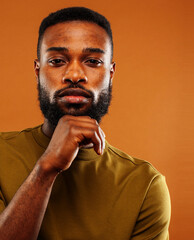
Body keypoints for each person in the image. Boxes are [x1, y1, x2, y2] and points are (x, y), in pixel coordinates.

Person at [0, 7, 171, 240]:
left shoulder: (145, 185)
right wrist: (46, 169)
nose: (74, 74)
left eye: (92, 61)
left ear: (110, 74)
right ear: (38, 71)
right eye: (58, 60)